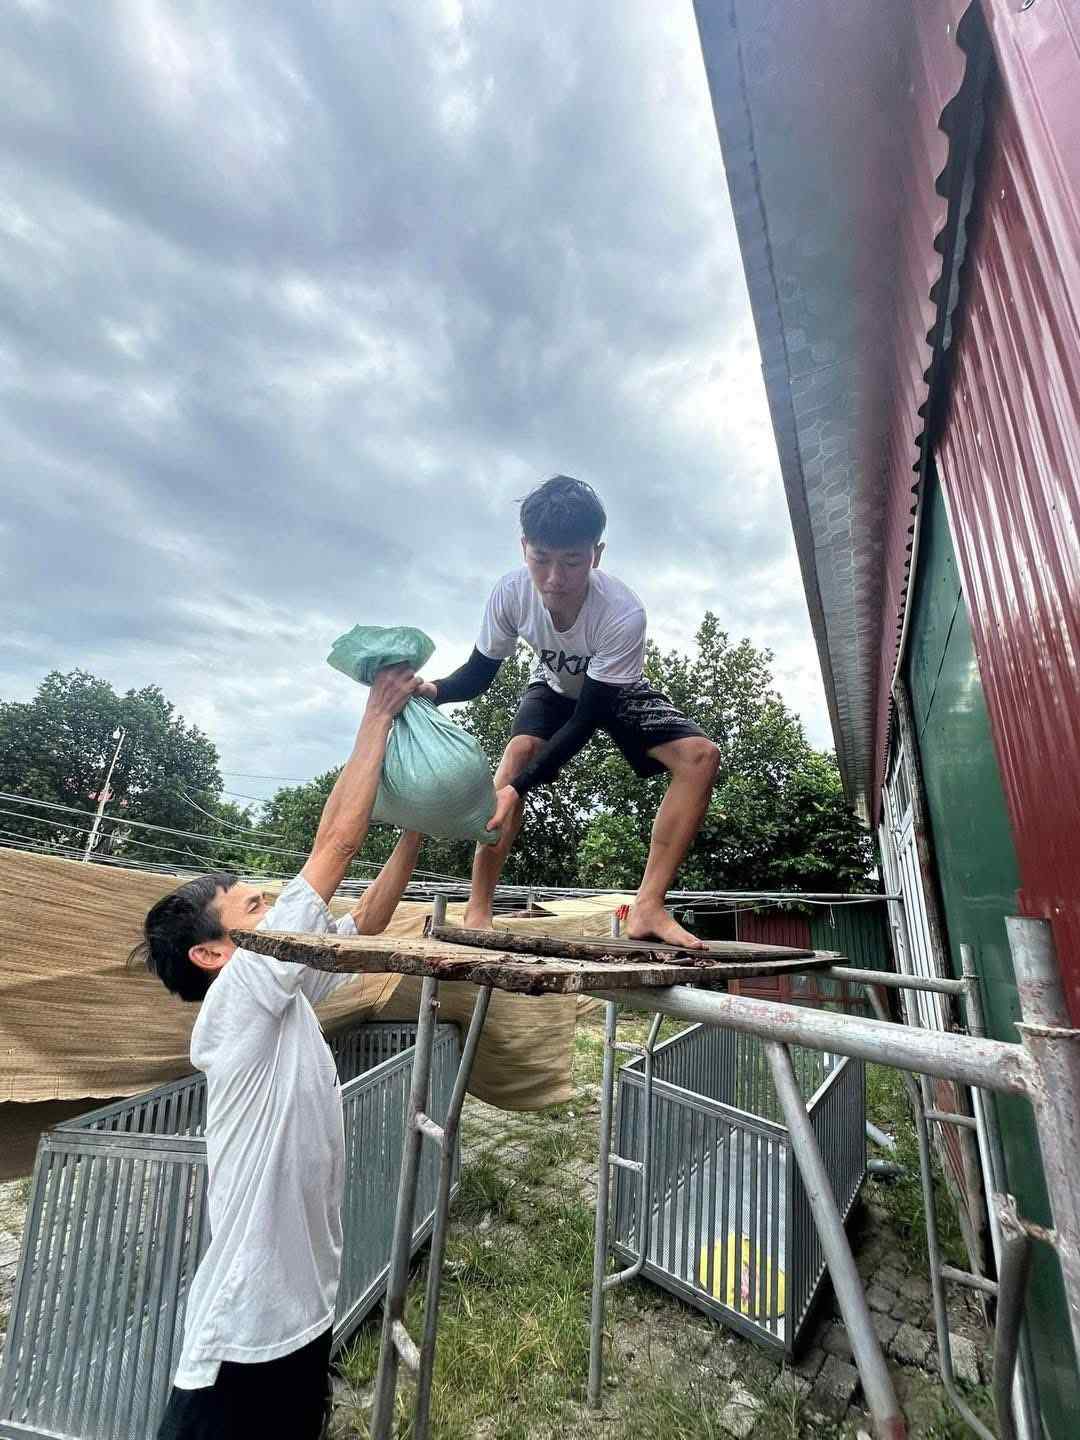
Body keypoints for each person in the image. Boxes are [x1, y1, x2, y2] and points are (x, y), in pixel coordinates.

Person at [133, 664, 421, 1440]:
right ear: (211, 954)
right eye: (254, 907)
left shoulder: (282, 996)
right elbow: (333, 843)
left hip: (300, 1314)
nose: (274, 908)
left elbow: (362, 924)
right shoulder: (238, 1002)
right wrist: (379, 713)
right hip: (245, 1334)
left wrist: (419, 829)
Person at [420, 475, 720, 948]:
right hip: (552, 684)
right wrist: (432, 690)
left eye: (572, 562)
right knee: (519, 750)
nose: (554, 579)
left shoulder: (622, 613)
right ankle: (478, 911)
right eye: (541, 560)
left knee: (700, 757)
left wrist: (517, 791)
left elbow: (588, 719)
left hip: (613, 689)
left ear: (595, 555)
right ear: (524, 548)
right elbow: (478, 674)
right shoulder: (511, 593)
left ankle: (647, 907)